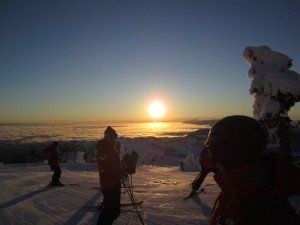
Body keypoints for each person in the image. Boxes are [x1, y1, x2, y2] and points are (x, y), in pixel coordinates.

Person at [206, 115, 300, 225]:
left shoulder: (260, 209)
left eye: (212, 152)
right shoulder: (239, 188)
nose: (211, 158)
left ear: (226, 155)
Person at [96, 126, 123, 225]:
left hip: (113, 183)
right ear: (106, 137)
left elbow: (115, 165)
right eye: (112, 137)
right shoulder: (103, 151)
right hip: (110, 185)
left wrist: (122, 171)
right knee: (111, 211)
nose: (114, 139)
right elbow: (105, 170)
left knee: (113, 211)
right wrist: (118, 176)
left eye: (115, 137)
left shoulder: (111, 149)